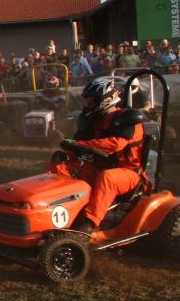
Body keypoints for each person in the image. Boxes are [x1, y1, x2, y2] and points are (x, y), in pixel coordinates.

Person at [48, 77, 145, 232]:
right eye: (88, 102)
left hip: (129, 172)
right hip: (99, 167)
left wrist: (77, 145)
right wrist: (68, 151)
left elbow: (115, 144)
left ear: (106, 99)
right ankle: (56, 214)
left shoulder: (127, 119)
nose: (88, 105)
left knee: (108, 177)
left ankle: (89, 224)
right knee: (59, 165)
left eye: (92, 101)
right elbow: (78, 143)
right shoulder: (95, 120)